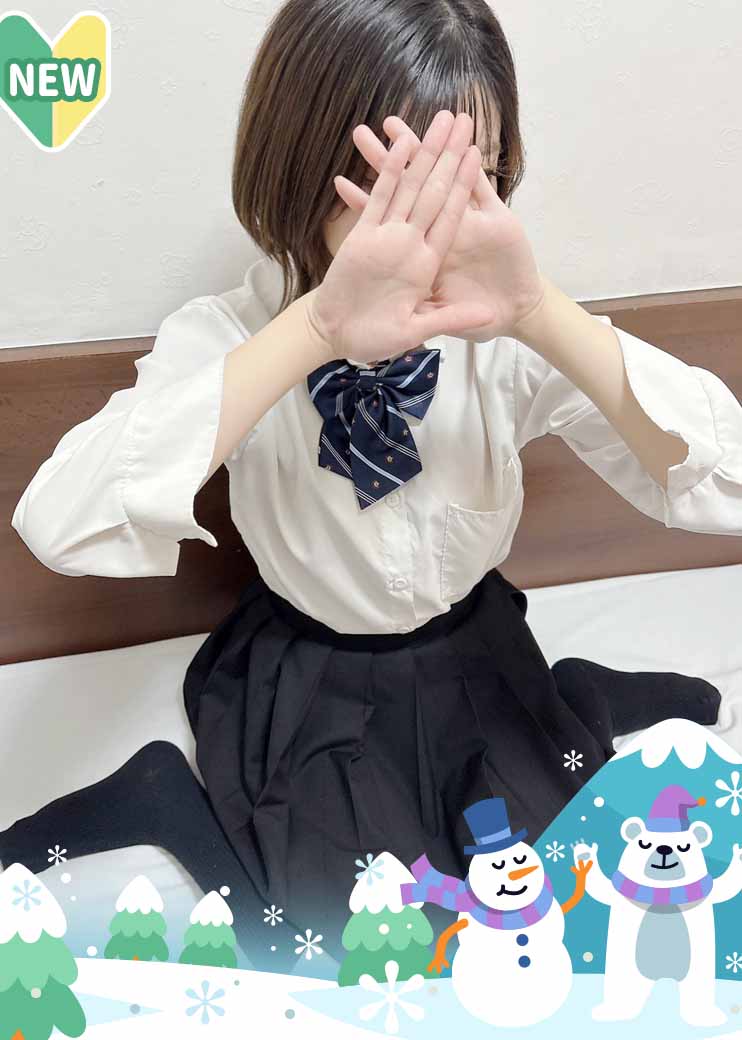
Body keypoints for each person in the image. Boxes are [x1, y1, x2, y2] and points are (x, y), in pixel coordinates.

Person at [4, 0, 740, 975]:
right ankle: (162, 796)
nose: (431, 221)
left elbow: (726, 480)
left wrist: (536, 311)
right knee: (344, 948)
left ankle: (572, 696)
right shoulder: (234, 335)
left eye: (468, 180)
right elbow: (61, 522)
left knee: (551, 894)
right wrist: (312, 332)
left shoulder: (498, 331)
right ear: (304, 167)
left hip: (476, 650)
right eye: (397, 182)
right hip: (313, 674)